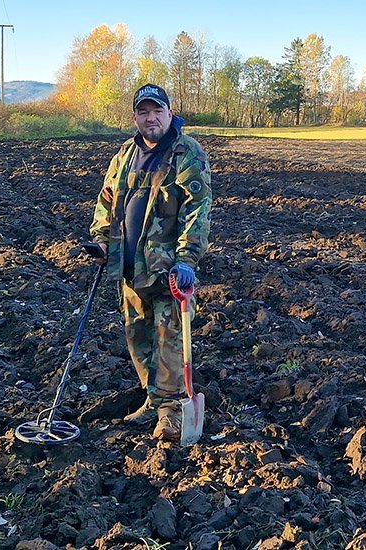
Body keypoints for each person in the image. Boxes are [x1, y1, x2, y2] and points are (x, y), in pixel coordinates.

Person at [89, 83, 212, 441]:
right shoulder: (125, 153)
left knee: (168, 340)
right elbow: (106, 199)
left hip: (168, 270)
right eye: (143, 111)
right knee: (137, 337)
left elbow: (198, 209)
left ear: (169, 113)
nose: (151, 117)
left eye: (157, 111)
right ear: (135, 117)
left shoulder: (187, 153)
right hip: (129, 269)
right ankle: (153, 398)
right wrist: (100, 241)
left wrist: (187, 258)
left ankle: (171, 412)